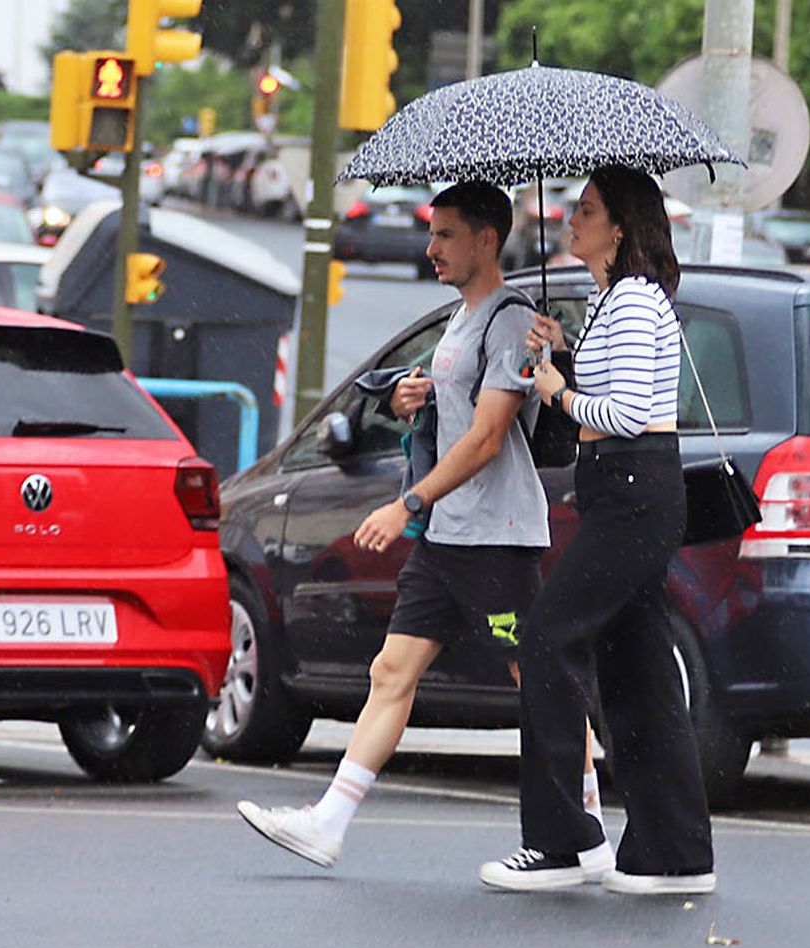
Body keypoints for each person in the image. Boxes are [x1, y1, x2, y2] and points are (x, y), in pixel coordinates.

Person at [236, 181, 605, 870]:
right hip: (447, 537)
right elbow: (467, 407)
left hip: (497, 536)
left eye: (446, 235)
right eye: (432, 233)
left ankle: (589, 835)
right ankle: (329, 821)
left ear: (486, 240)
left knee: (542, 679)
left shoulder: (512, 320)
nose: (430, 247)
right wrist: (421, 393)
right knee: (391, 669)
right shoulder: (463, 319)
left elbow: (492, 435)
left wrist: (406, 503)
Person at [480, 164, 715, 895]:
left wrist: (558, 389)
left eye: (585, 210)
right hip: (623, 489)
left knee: (547, 634)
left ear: (620, 226)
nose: (569, 221)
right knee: (636, 671)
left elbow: (630, 412)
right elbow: (605, 396)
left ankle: (563, 842)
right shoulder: (612, 298)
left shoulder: (638, 300)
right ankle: (673, 853)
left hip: (637, 491)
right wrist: (562, 356)